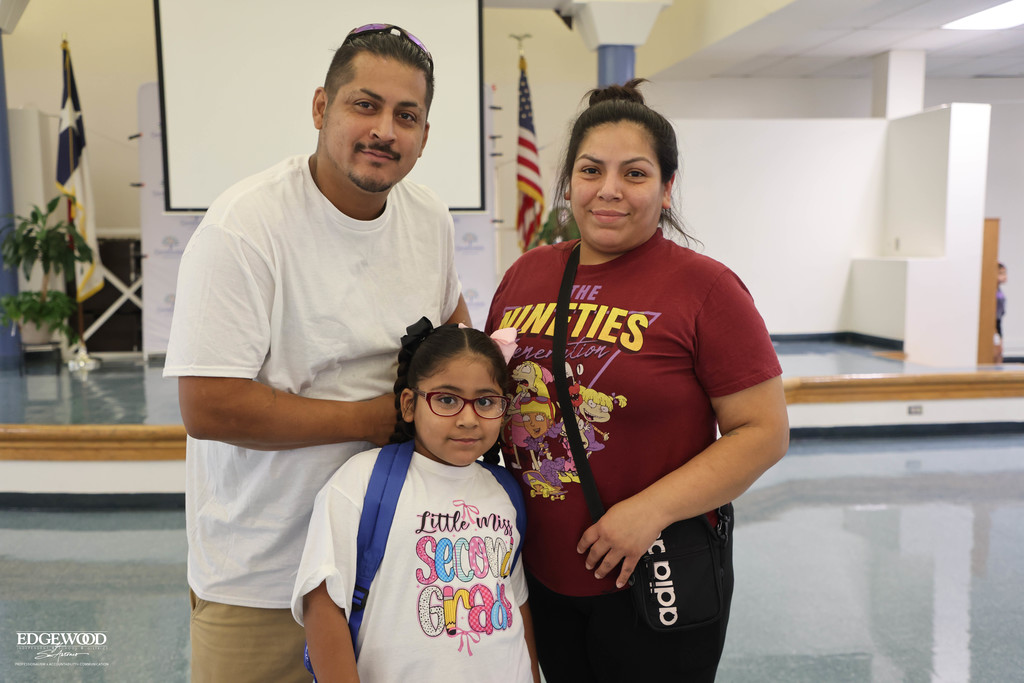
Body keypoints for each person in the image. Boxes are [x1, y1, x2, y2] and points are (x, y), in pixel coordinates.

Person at [163, 24, 469, 683]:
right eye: (365, 104)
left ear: (423, 133)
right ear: (320, 108)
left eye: (407, 115)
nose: (385, 129)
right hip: (263, 578)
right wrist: (376, 419)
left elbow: (454, 338)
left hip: (391, 562)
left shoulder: (429, 220)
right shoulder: (243, 228)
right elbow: (209, 406)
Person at [484, 79, 790, 682]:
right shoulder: (526, 275)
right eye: (591, 170)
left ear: (667, 187)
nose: (609, 191)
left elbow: (764, 432)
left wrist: (648, 510)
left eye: (635, 173)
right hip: (539, 571)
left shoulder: (706, 288)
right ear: (568, 181)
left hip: (654, 572)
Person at [292, 322, 541, 682]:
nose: (468, 419)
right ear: (409, 404)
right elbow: (321, 603)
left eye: (485, 401)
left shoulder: (505, 490)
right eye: (447, 400)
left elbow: (516, 601)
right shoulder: (361, 481)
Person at [996, 262, 1007, 363]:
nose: (1004, 276)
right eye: (1001, 273)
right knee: (997, 350)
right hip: (993, 323)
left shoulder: (999, 290)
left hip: (998, 321)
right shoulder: (992, 291)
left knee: (1000, 351)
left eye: (1005, 273)